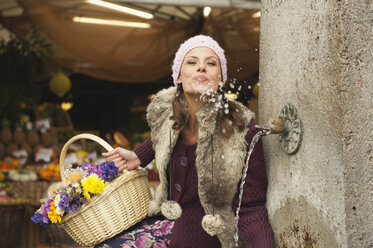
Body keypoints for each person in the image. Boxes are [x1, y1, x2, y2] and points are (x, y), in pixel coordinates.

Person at [97, 35, 275, 248]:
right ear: (179, 77)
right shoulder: (168, 116)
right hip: (167, 222)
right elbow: (161, 136)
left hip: (210, 235)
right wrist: (137, 155)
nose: (201, 67)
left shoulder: (242, 132)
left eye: (211, 63)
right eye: (192, 62)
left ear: (220, 79)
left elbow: (251, 207)